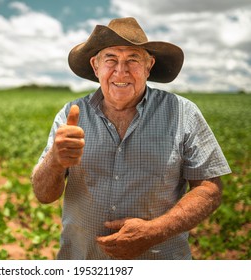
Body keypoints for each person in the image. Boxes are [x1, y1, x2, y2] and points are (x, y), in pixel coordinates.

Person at [31, 17, 231, 260]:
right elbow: (44, 195)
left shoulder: (183, 113)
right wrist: (55, 159)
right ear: (96, 66)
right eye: (111, 59)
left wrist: (155, 231)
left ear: (149, 66)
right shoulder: (71, 114)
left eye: (132, 59)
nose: (121, 71)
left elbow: (209, 188)